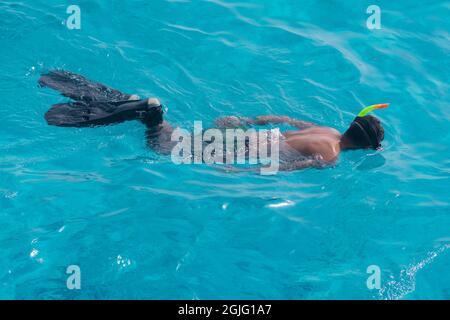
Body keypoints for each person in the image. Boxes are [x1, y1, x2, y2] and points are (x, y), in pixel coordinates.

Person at [39, 70, 387, 171]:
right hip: (241, 150)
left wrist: (246, 119)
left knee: (173, 137)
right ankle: (149, 113)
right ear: (367, 146)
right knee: (160, 146)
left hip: (243, 134)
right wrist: (239, 172)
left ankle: (141, 107)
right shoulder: (331, 155)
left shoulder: (326, 128)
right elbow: (285, 169)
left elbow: (277, 117)